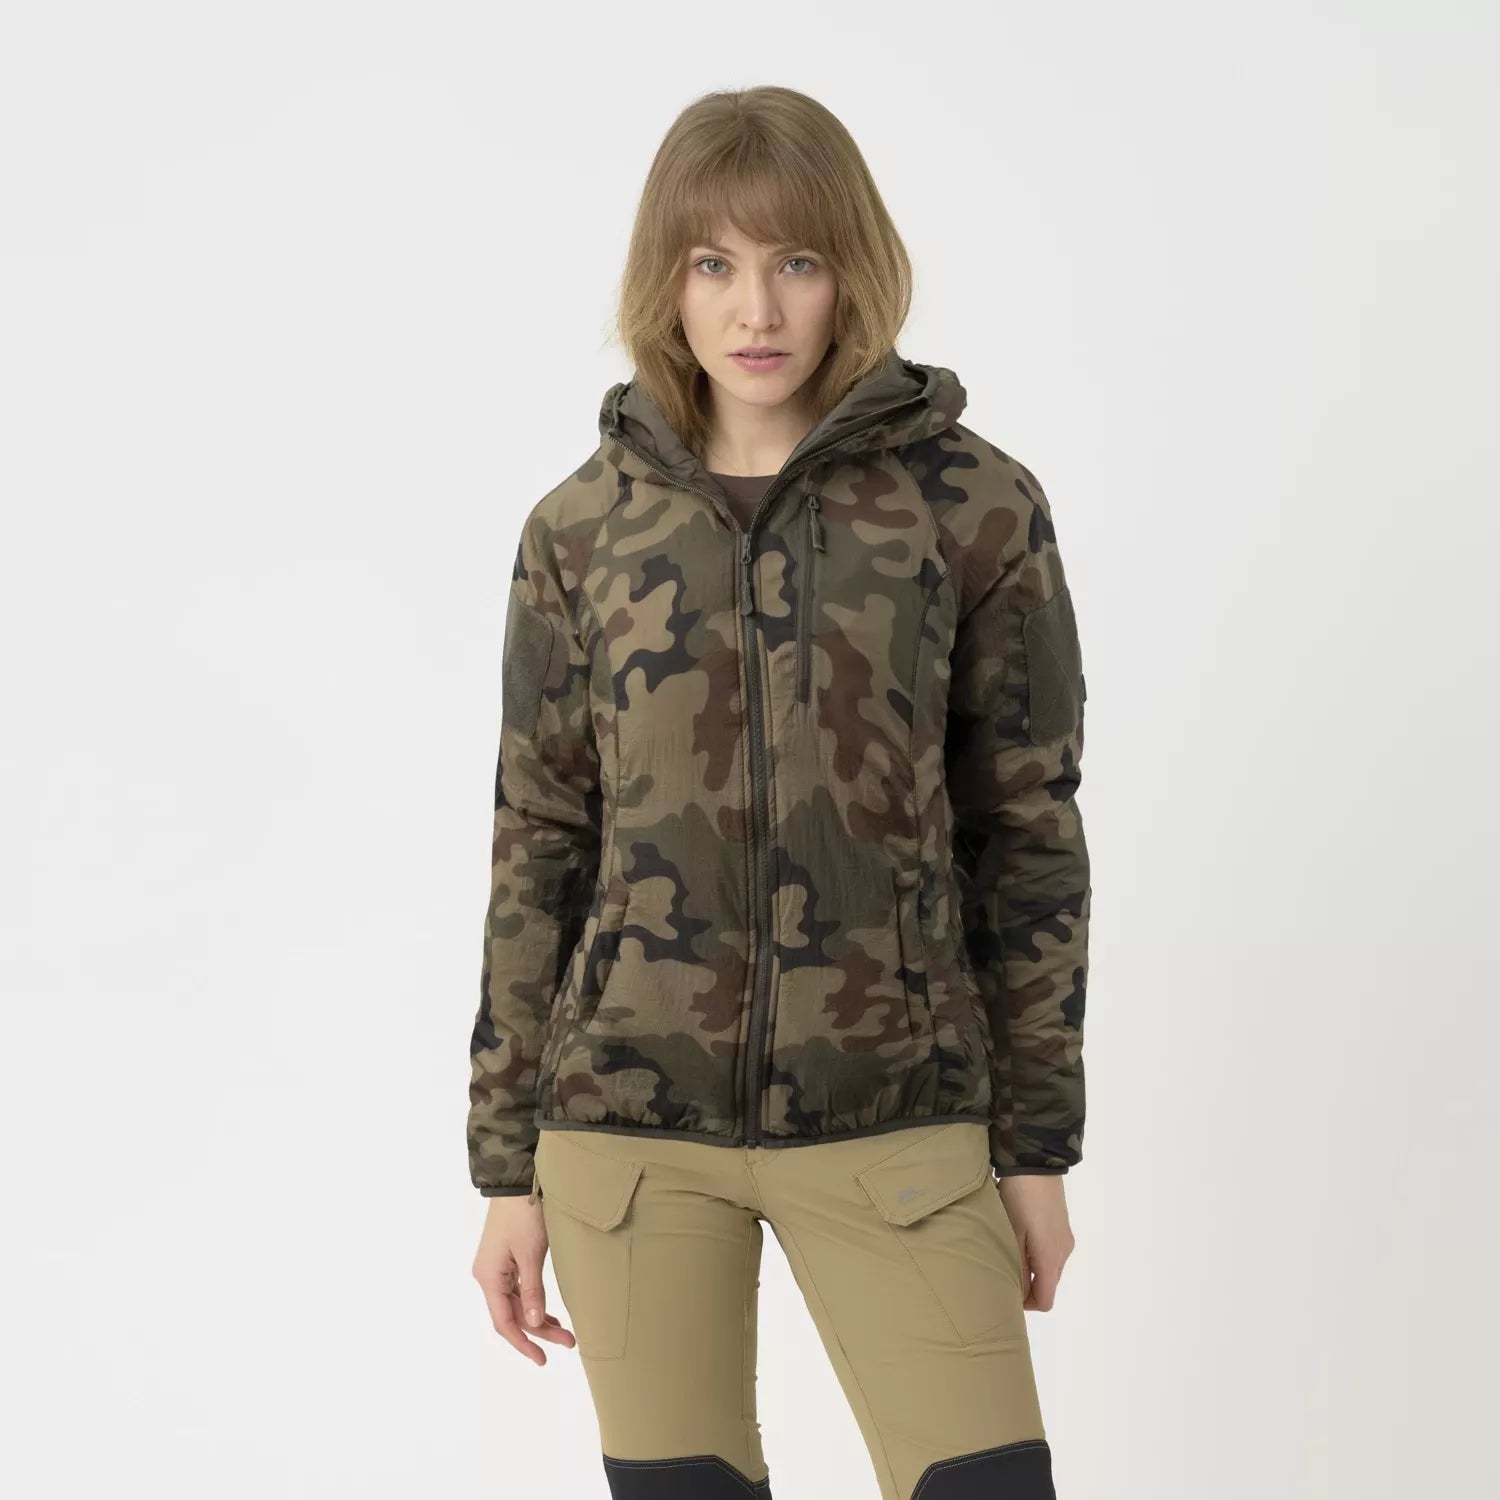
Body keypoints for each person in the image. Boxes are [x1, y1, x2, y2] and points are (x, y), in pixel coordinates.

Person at [467, 84, 1090, 1500]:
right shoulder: (580, 532)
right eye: (715, 264)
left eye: (796, 261)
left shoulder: (972, 507)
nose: (757, 310)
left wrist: (1035, 1147)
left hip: (899, 1121)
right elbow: (537, 844)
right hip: (628, 1134)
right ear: (667, 282)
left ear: (850, 270)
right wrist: (506, 1168)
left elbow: (1028, 836)